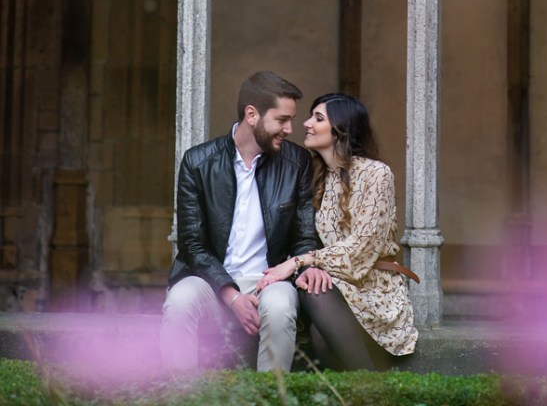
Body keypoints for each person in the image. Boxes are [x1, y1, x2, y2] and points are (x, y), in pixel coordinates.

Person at [160, 71, 331, 374]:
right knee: (180, 300)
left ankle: (271, 398)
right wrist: (232, 296)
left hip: (270, 281)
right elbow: (192, 244)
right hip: (211, 283)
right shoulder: (197, 163)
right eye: (282, 120)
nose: (290, 129)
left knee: (279, 306)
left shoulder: (297, 163)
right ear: (252, 115)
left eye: (291, 120)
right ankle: (180, 396)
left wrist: (303, 266)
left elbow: (304, 236)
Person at [256, 93, 418, 370]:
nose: (306, 123)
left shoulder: (376, 174)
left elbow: (362, 248)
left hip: (371, 287)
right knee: (314, 304)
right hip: (333, 285)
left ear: (341, 129)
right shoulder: (318, 176)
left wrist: (298, 262)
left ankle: (372, 388)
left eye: (318, 118)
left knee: (314, 294)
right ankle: (370, 391)